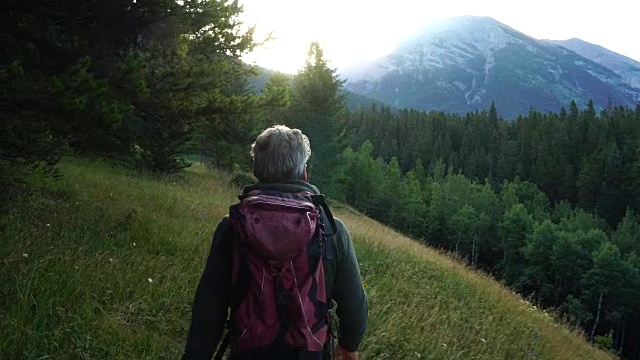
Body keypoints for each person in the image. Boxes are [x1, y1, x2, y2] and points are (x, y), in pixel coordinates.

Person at [182, 125, 368, 360]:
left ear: (256, 170)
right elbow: (354, 303)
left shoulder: (233, 226)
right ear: (304, 174)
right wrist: (350, 345)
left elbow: (209, 306)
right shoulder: (332, 229)